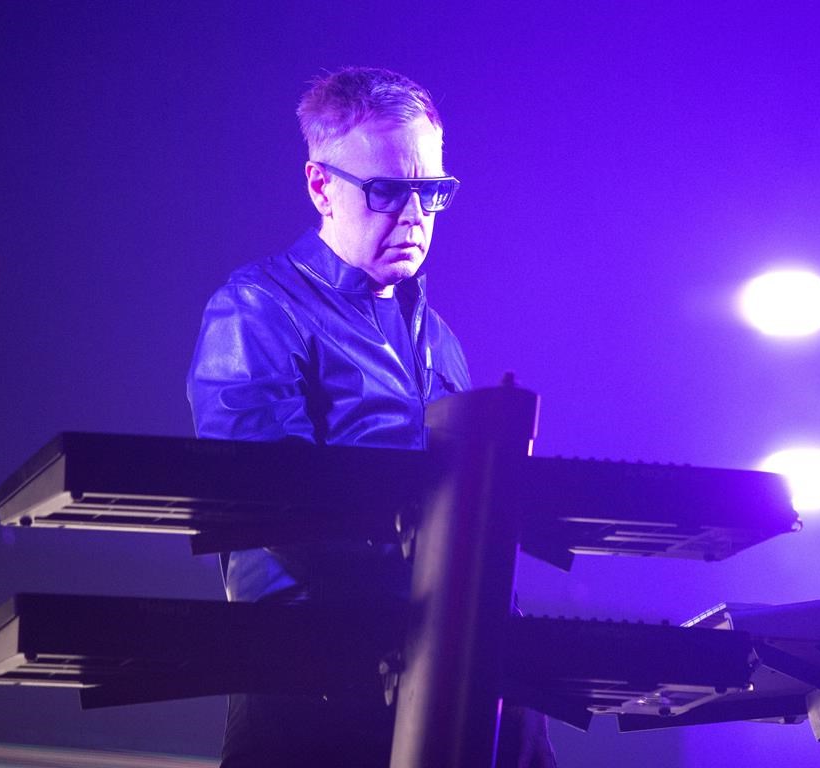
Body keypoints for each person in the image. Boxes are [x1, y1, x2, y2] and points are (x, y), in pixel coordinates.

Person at [187, 67, 556, 767]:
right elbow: (273, 502)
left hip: (442, 663)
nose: (414, 215)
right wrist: (441, 609)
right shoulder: (258, 308)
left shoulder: (436, 335)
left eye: (433, 192)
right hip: (312, 682)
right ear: (320, 185)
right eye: (387, 190)